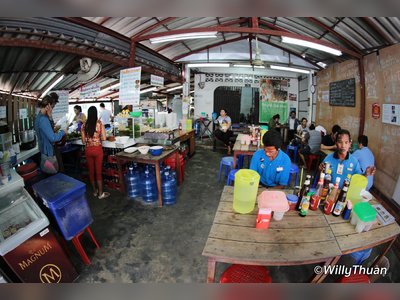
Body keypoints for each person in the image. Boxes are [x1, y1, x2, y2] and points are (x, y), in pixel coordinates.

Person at [81, 106, 109, 199]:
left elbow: (83, 141)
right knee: (98, 172)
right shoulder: (100, 124)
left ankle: (95, 191)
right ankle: (101, 194)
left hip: (88, 150)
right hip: (97, 150)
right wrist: (98, 138)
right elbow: (104, 138)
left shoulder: (84, 125)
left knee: (91, 172)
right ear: (96, 113)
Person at [34, 95, 66, 174]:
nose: (52, 109)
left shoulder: (39, 117)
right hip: (48, 152)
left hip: (44, 150)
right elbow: (52, 138)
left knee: (51, 175)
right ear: (48, 105)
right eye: (52, 106)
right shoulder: (43, 119)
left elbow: (50, 130)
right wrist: (63, 132)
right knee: (56, 174)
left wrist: (50, 116)